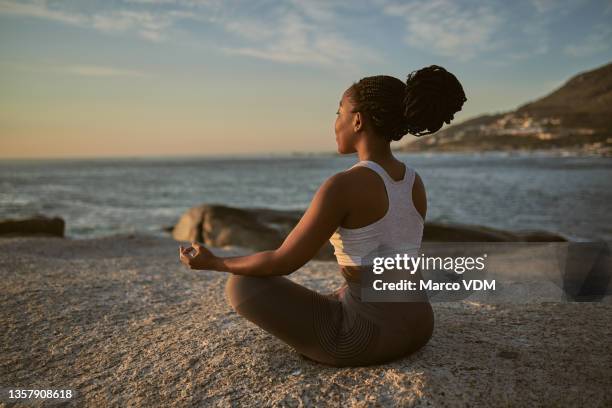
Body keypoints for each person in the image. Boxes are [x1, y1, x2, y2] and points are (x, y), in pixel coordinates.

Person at [179, 65, 467, 367]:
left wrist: (214, 262)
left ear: (357, 120)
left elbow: (283, 261)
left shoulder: (343, 185)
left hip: (366, 340)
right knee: (347, 290)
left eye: (338, 111)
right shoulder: (413, 181)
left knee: (241, 285)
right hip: (421, 326)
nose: (335, 122)